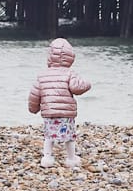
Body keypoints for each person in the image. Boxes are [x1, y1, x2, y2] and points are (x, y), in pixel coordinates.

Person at [27, 36, 90, 167]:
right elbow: (76, 88)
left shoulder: (42, 75)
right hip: (66, 113)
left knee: (49, 136)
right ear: (70, 56)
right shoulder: (70, 73)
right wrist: (87, 84)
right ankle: (71, 159)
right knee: (69, 137)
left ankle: (47, 158)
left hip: (49, 112)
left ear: (50, 56)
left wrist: (33, 108)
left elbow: (35, 94)